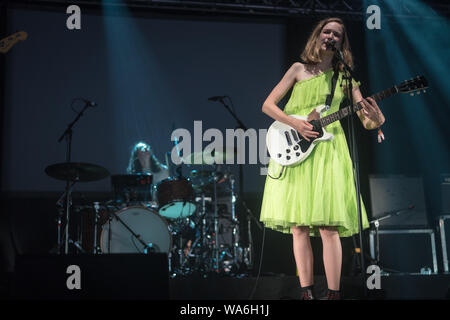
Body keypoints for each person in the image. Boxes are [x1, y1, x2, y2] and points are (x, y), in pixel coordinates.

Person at [259, 17, 385, 300]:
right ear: (317, 36)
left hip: (329, 149)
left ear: (342, 43)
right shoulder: (298, 69)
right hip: (295, 146)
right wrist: (295, 123)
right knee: (299, 226)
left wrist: (376, 122)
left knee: (329, 226)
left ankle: (333, 293)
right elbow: (267, 105)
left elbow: (364, 117)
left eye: (336, 34)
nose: (330, 36)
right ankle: (306, 292)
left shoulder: (346, 77)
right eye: (326, 32)